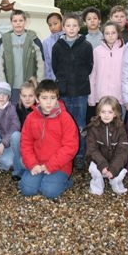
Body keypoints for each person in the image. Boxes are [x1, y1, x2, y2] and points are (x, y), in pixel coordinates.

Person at [19, 79, 79, 199]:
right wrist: (32, 164)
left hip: (60, 165)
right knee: (27, 190)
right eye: (44, 98)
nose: (49, 102)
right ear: (37, 99)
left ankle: (65, 182)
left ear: (57, 98)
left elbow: (71, 146)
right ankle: (44, 180)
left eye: (52, 98)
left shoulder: (65, 118)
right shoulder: (31, 118)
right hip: (37, 163)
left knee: (48, 191)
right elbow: (26, 144)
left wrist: (50, 165)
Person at [52, 12, 93, 168]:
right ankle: (66, 154)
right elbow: (55, 67)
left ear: (79, 27)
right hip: (64, 91)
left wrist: (80, 77)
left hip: (81, 91)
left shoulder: (86, 45)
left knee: (80, 125)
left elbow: (89, 66)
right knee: (64, 125)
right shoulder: (58, 46)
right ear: (63, 27)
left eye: (74, 25)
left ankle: (80, 154)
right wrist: (63, 81)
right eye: (68, 25)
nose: (71, 28)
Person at [0, 10, 45, 105]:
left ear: (25, 22)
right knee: (13, 111)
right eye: (15, 21)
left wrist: (39, 82)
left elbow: (40, 62)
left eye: (21, 20)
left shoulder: (33, 38)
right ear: (11, 22)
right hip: (11, 85)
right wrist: (2, 84)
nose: (18, 23)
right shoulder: (4, 40)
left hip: (29, 85)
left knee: (28, 112)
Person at [86, 96, 128, 195]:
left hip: (114, 161)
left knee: (119, 171)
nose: (106, 115)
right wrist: (102, 165)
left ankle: (115, 182)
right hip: (99, 161)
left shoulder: (120, 128)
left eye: (110, 112)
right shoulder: (93, 127)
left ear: (115, 114)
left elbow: (123, 150)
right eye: (103, 112)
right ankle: (97, 185)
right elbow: (91, 149)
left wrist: (113, 168)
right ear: (98, 113)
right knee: (94, 169)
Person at [0, 81, 23, 181]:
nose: (1, 97)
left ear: (8, 97)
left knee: (17, 135)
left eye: (4, 94)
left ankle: (3, 161)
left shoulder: (11, 108)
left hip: (6, 144)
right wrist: (0, 110)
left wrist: (3, 143)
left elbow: (16, 126)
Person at [88, 21, 125, 118]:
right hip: (101, 96)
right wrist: (92, 97)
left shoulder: (125, 50)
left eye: (113, 33)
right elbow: (93, 75)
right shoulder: (97, 51)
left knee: (118, 125)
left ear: (118, 33)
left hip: (119, 96)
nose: (110, 36)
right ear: (103, 35)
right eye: (107, 33)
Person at [42, 12, 63, 80]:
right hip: (54, 80)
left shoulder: (69, 38)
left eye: (55, 24)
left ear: (62, 22)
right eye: (50, 25)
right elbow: (47, 64)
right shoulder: (46, 42)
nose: (53, 27)